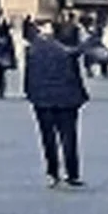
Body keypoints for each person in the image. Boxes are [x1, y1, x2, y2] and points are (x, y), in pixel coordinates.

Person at [27, 19, 90, 188]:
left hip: (43, 100)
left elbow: (29, 76)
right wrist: (81, 95)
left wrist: (31, 94)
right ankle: (72, 173)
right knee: (69, 137)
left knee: (48, 138)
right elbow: (75, 76)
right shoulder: (66, 51)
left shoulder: (33, 50)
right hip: (67, 100)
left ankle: (53, 172)